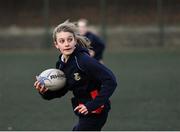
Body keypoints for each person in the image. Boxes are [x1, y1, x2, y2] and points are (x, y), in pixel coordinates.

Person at [34, 20, 117, 131]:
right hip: (84, 108)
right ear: (56, 45)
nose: (66, 43)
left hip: (96, 110)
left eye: (70, 39)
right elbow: (62, 90)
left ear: (75, 41)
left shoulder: (83, 60)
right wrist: (45, 92)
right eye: (62, 41)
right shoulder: (61, 64)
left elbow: (111, 81)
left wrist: (92, 105)